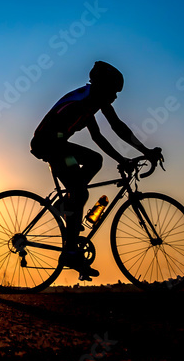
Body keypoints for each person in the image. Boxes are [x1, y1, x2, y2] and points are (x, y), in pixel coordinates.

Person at [30, 61, 162, 280]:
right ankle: (71, 250)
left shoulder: (93, 100)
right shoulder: (83, 101)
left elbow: (111, 129)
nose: (116, 97)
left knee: (93, 163)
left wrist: (139, 153)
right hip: (50, 143)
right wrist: (128, 157)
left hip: (58, 143)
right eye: (114, 91)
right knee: (80, 190)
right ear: (102, 86)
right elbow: (101, 134)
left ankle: (67, 204)